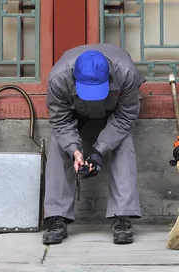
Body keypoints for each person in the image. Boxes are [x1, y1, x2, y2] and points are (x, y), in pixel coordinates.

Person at [42, 43, 146, 245]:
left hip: (113, 111)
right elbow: (60, 121)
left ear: (110, 77)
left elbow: (126, 117)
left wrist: (99, 151)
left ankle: (122, 216)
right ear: (74, 77)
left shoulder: (126, 73)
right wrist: (75, 151)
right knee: (58, 143)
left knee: (123, 143)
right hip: (76, 111)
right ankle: (57, 217)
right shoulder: (58, 78)